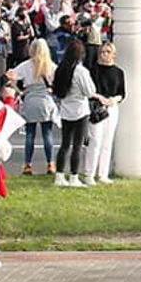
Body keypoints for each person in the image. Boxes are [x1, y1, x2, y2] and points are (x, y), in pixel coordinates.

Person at [52, 45, 97, 188]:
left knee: (65, 144)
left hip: (65, 110)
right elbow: (90, 92)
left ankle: (59, 176)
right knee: (77, 146)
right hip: (80, 111)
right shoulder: (81, 71)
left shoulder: (60, 69)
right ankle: (73, 177)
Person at [14, 40, 59, 175]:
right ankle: (50, 163)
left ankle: (28, 164)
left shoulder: (25, 65)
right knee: (47, 134)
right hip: (45, 99)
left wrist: (19, 91)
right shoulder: (51, 66)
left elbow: (10, 76)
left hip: (30, 99)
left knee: (30, 134)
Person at [86, 41, 126, 185]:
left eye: (108, 51)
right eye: (103, 52)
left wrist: (113, 100)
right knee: (95, 141)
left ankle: (103, 174)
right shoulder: (93, 70)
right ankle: (89, 173)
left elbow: (122, 93)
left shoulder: (118, 72)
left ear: (113, 54)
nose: (105, 54)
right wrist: (100, 98)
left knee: (107, 142)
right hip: (97, 107)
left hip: (112, 108)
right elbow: (89, 90)